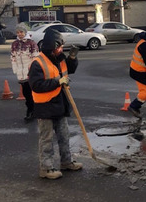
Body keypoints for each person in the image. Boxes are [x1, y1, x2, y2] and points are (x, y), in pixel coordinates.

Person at [28, 29, 82, 180]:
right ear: (52, 46)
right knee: (47, 139)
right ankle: (46, 168)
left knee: (64, 136)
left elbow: (69, 70)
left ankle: (66, 162)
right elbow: (36, 85)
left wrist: (72, 58)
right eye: (59, 46)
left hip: (60, 103)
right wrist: (57, 82)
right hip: (45, 106)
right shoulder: (37, 63)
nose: (61, 49)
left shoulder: (59, 58)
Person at [10, 23, 39, 122]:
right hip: (21, 73)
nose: (20, 34)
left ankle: (32, 111)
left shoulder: (31, 43)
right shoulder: (15, 44)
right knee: (26, 94)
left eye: (21, 32)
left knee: (32, 93)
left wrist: (33, 71)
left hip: (30, 73)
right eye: (18, 32)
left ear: (25, 32)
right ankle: (31, 110)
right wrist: (15, 69)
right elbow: (13, 57)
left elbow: (35, 58)